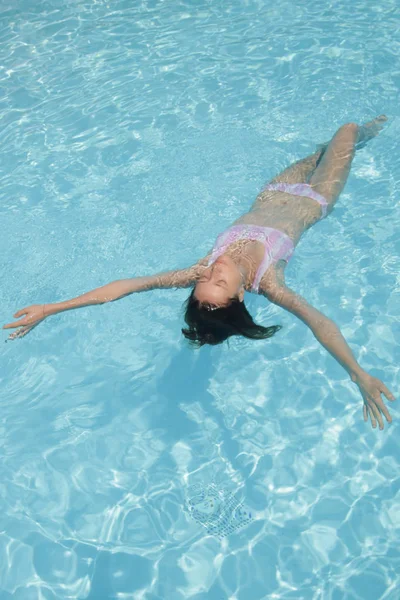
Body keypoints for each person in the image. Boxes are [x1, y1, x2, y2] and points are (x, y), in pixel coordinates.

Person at [3, 116, 395, 430]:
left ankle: (362, 136)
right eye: (220, 283)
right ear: (240, 295)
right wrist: (357, 373)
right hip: (316, 198)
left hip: (275, 189)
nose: (214, 271)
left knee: (321, 149)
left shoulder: (199, 270)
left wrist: (51, 308)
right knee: (346, 131)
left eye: (205, 283)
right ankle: (375, 128)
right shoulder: (269, 282)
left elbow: (123, 288)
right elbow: (320, 325)